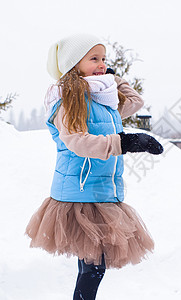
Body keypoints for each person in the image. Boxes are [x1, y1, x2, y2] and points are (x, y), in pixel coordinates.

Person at [25, 33, 163, 300]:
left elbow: (135, 101)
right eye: (94, 59)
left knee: (91, 266)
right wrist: (127, 142)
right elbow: (78, 142)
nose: (101, 64)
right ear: (74, 64)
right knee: (94, 267)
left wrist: (113, 78)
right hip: (80, 193)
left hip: (101, 191)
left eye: (104, 59)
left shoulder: (103, 98)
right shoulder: (69, 100)